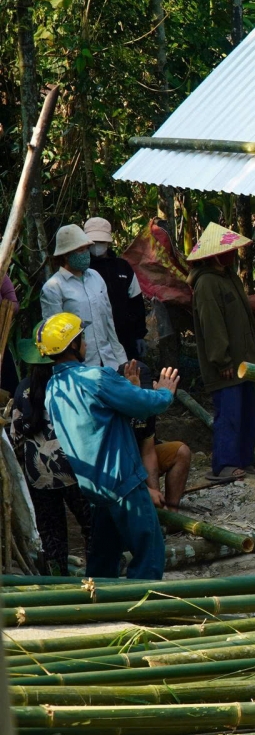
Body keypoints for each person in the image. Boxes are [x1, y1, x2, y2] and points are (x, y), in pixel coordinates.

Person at [38, 312, 179, 579]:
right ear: (73, 345)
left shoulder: (53, 389)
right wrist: (165, 393)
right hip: (123, 482)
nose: (87, 343)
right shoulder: (96, 378)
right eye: (82, 338)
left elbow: (99, 420)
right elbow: (144, 403)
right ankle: (143, 611)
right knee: (148, 553)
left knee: (103, 560)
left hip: (95, 489)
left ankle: (100, 608)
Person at [4, 339, 94, 575]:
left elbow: (15, 436)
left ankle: (57, 584)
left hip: (38, 476)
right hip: (73, 470)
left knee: (51, 534)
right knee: (92, 527)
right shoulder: (67, 384)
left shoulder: (24, 387)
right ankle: (99, 578)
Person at [188, 223, 255, 483]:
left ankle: (244, 459)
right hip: (227, 363)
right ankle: (225, 464)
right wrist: (222, 359)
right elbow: (213, 324)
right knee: (229, 414)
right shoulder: (207, 283)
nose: (232, 254)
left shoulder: (228, 276)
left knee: (247, 413)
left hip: (245, 360)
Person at [41, 224, 128, 368]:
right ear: (66, 255)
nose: (86, 253)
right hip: (81, 367)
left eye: (87, 249)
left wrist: (121, 359)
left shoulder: (96, 277)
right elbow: (56, 337)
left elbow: (108, 321)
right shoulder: (53, 288)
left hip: (108, 362)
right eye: (81, 250)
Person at [84, 217, 149, 362]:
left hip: (125, 337)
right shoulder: (82, 269)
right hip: (93, 340)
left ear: (108, 242)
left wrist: (139, 335)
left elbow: (137, 303)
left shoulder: (122, 267)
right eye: (93, 242)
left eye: (100, 242)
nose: (97, 246)